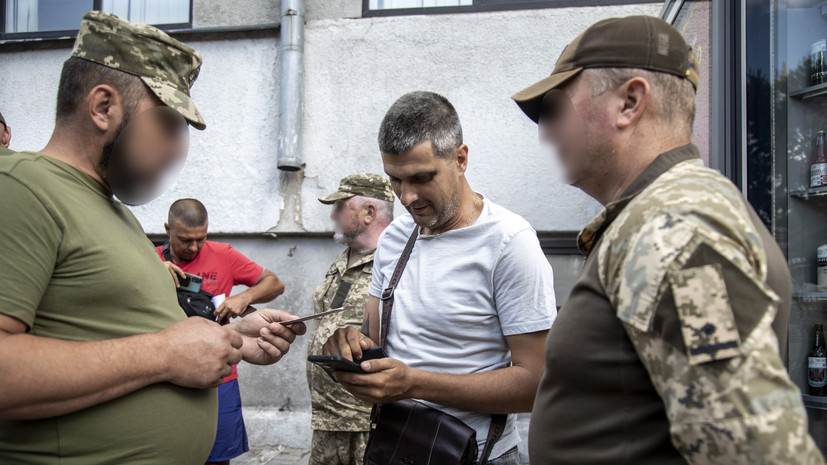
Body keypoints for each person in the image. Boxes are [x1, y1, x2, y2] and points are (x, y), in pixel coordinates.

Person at [511, 15, 823, 465]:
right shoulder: (657, 216)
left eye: (555, 108)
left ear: (630, 101)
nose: (545, 132)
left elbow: (755, 449)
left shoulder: (675, 226)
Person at [0, 11, 305, 465]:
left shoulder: (113, 211)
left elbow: (117, 336)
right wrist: (163, 355)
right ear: (103, 107)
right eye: (168, 123)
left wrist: (234, 338)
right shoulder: (22, 188)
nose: (180, 148)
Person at [323, 91, 557, 464]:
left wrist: (414, 383)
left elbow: (536, 384)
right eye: (395, 180)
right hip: (398, 445)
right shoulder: (395, 239)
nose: (407, 196)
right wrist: (350, 346)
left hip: (478, 454)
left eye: (421, 177)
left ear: (460, 159)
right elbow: (372, 336)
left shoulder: (509, 244)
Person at [158, 198, 286, 465]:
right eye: (184, 240)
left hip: (219, 380)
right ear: (168, 229)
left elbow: (274, 283)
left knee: (217, 459)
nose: (194, 247)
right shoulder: (150, 259)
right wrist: (153, 270)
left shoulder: (223, 254)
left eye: (201, 239)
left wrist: (244, 297)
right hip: (164, 380)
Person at [307, 173, 395, 465]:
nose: (332, 214)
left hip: (367, 424)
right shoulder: (345, 258)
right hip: (328, 420)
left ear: (369, 212)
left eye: (340, 206)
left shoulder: (398, 262)